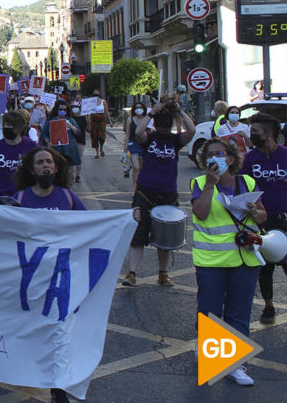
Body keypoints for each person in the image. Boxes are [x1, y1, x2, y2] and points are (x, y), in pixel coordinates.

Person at [0, 146, 86, 403]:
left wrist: (125, 218)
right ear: (32, 170)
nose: (45, 166)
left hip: (58, 279)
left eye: (49, 162)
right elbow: (1, 230)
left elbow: (92, 227)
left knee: (58, 333)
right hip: (28, 280)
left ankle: (58, 388)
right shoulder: (20, 198)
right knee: (31, 331)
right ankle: (26, 371)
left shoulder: (67, 197)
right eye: (40, 162)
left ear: (56, 168)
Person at [191, 136, 266, 386]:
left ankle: (235, 365)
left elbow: (263, 215)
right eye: (210, 154)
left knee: (239, 313)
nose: (215, 158)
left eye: (220, 154)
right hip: (211, 260)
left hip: (245, 259)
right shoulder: (200, 182)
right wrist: (210, 186)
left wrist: (256, 212)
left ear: (231, 159)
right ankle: (209, 350)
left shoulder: (246, 181)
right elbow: (200, 213)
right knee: (211, 312)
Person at [122, 101, 195, 287]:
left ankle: (163, 273)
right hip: (146, 191)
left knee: (165, 234)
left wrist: (180, 111)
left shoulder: (174, 141)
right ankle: (132, 273)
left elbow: (192, 131)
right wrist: (152, 113)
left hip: (167, 192)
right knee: (138, 232)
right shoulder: (149, 137)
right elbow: (138, 132)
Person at [244, 113, 287, 324]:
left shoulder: (285, 155)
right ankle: (269, 306)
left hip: (285, 219)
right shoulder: (249, 159)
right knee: (264, 267)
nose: (251, 136)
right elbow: (241, 187)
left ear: (269, 134)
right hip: (261, 221)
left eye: (255, 132)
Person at [0, 111, 38, 198]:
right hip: (2, 198)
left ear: (20, 128)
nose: (6, 127)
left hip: (25, 198)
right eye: (5, 125)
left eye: (11, 125)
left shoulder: (31, 146)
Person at [39, 100, 83, 183]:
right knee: (56, 171)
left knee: (69, 172)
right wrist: (48, 142)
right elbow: (44, 134)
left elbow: (78, 133)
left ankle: (67, 187)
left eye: (65, 110)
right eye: (60, 109)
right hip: (56, 150)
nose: (63, 111)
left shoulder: (70, 120)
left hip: (69, 150)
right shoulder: (51, 120)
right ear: (56, 109)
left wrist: (72, 127)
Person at [124, 101, 150, 182]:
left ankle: (140, 186)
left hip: (143, 145)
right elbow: (127, 135)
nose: (139, 109)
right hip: (133, 145)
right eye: (137, 108)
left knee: (142, 168)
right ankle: (136, 188)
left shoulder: (147, 120)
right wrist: (125, 150)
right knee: (136, 167)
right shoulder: (130, 120)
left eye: (140, 108)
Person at [88, 90, 110, 159]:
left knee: (102, 136)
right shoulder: (91, 103)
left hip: (102, 122)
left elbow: (106, 112)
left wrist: (110, 121)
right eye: (94, 95)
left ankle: (101, 148)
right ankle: (97, 152)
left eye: (97, 95)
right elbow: (89, 113)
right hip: (94, 121)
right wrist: (88, 122)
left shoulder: (103, 102)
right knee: (95, 137)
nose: (96, 96)